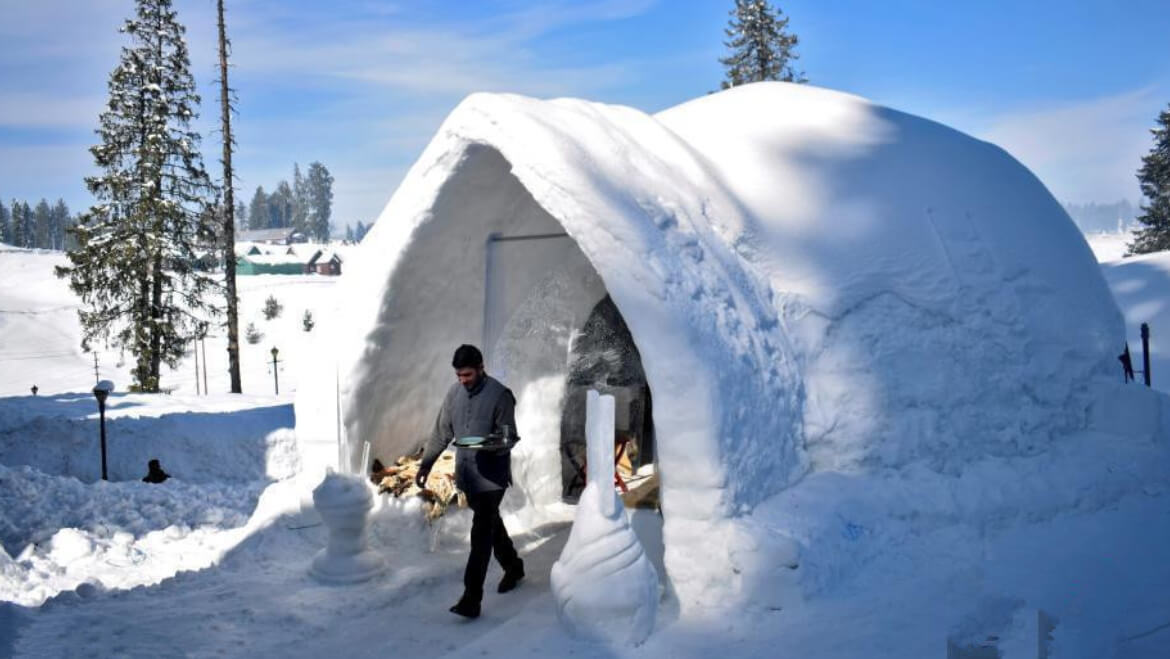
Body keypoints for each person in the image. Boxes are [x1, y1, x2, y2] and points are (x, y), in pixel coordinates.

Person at [416, 344, 525, 619]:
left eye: (467, 375)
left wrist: (483, 444)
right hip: (467, 475)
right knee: (490, 525)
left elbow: (508, 438)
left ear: (480, 368)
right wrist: (426, 464)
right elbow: (441, 432)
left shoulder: (500, 396)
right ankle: (513, 567)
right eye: (459, 376)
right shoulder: (454, 394)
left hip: (491, 478)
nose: (462, 380)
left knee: (480, 534)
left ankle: (471, 598)